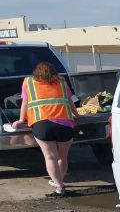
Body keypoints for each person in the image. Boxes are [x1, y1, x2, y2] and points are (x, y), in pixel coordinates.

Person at [12, 62, 80, 196]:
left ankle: (59, 185)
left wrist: (21, 120)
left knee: (50, 157)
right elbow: (70, 100)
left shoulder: (28, 82)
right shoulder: (61, 81)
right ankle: (59, 181)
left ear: (35, 72)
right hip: (65, 124)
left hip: (42, 123)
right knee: (63, 158)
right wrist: (77, 115)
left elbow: (25, 102)